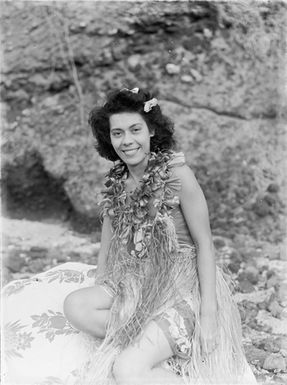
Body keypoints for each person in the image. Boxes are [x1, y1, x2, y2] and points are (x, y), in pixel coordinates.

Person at [2, 87, 257, 385]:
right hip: (136, 280)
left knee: (125, 369)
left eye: (135, 130)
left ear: (151, 131)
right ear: (108, 139)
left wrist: (209, 313)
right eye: (118, 133)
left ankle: (154, 352)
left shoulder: (178, 176)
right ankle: (151, 337)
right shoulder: (117, 181)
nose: (127, 141)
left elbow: (205, 244)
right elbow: (108, 240)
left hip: (182, 285)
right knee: (75, 306)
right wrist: (102, 280)